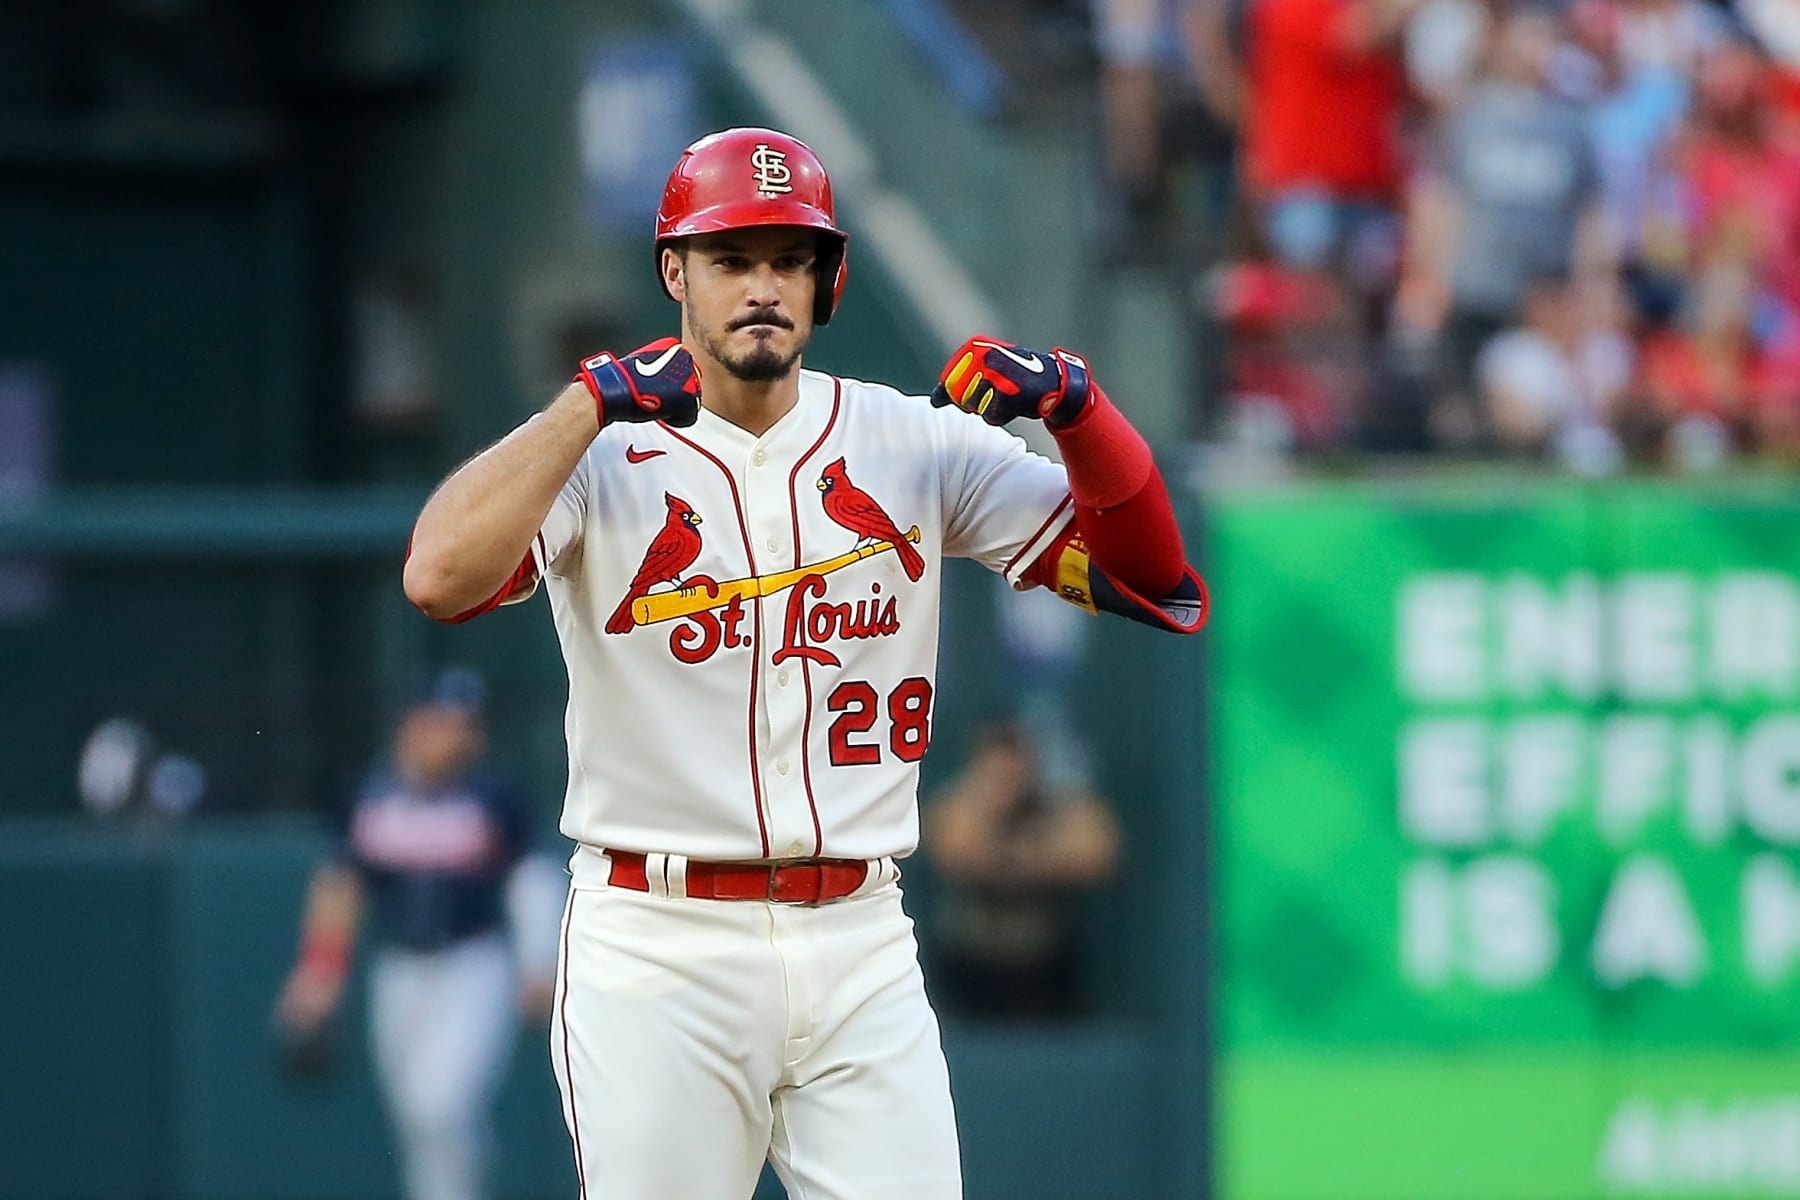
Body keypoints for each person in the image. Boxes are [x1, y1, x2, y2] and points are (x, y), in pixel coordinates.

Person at [400, 126, 1208, 1199]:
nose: (764, 287)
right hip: (660, 945)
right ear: (675, 274)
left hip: (862, 936)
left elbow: (1153, 579)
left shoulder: (911, 443)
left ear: (829, 282)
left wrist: (1080, 411)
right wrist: (581, 405)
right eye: (733, 258)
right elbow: (438, 577)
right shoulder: (601, 455)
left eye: (790, 259)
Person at [274, 670, 563, 1200]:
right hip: (399, 972)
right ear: (413, 723)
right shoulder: (371, 793)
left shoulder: (494, 796)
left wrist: (538, 962)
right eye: (445, 722)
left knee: (440, 1104)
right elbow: (340, 886)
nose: (456, 736)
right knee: (414, 1115)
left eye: (466, 725)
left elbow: (531, 880)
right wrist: (318, 973)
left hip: (474, 967)